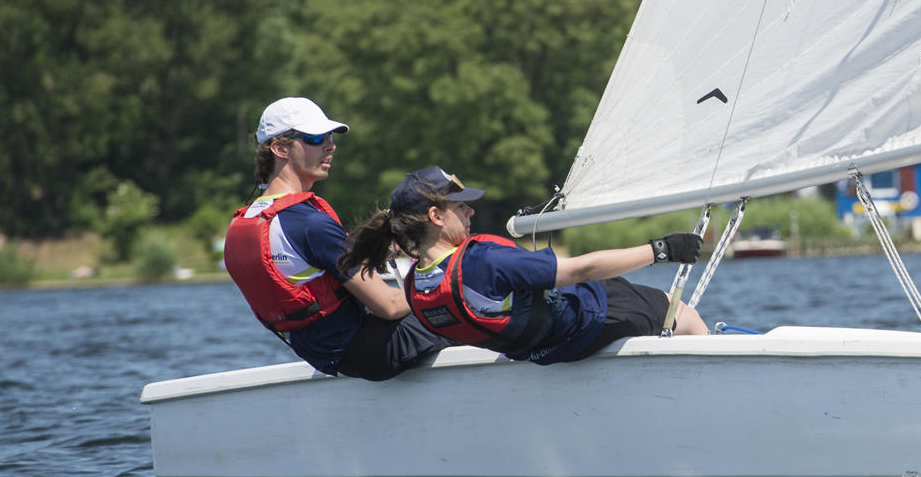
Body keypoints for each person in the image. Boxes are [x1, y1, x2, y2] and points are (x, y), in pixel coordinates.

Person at [342, 165, 710, 363]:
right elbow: (580, 270)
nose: (471, 211)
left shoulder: (415, 286)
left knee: (628, 293)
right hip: (589, 323)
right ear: (436, 216)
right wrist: (660, 249)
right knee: (684, 315)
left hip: (541, 355)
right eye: (461, 207)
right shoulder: (482, 261)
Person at [224, 97, 453, 380]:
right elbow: (389, 306)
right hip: (364, 353)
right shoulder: (309, 223)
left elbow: (310, 269)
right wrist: (449, 282)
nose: (330, 145)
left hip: (320, 352)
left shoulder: (247, 221)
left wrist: (372, 253)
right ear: (280, 148)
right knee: (458, 308)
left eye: (329, 137)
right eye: (315, 138)